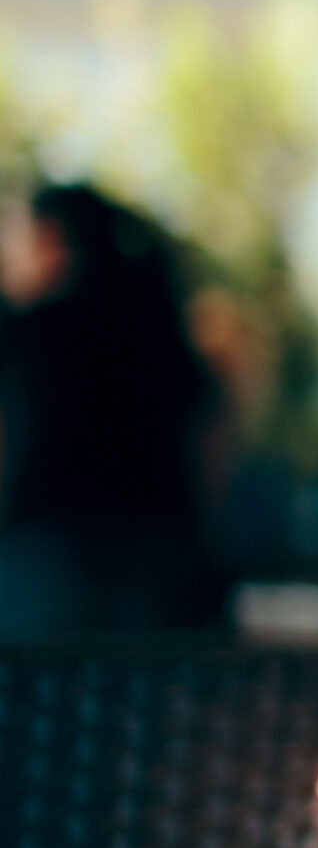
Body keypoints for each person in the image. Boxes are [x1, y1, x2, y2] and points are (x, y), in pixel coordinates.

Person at [0, 182, 224, 633]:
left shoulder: (33, 334)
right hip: (163, 565)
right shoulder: (161, 337)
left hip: (52, 562)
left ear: (52, 238)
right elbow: (209, 452)